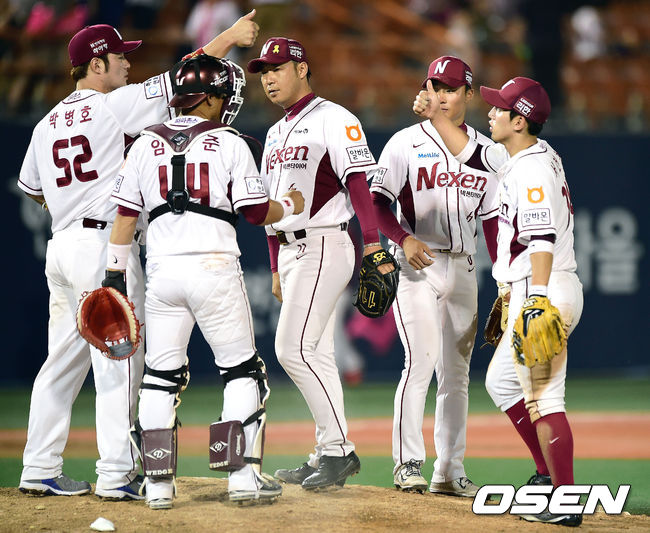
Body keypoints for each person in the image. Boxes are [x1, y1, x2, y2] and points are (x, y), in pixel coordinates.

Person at [16, 14, 260, 499]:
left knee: (59, 363)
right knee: (121, 364)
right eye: (119, 56)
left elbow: (33, 189)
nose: (127, 63)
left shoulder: (44, 124)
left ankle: (39, 467)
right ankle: (117, 473)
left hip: (61, 247)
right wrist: (230, 38)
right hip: (103, 245)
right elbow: (187, 75)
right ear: (96, 64)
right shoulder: (113, 106)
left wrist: (73, 202)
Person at [106, 54, 302, 509]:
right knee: (241, 371)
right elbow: (255, 212)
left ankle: (158, 486)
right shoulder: (230, 141)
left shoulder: (143, 143)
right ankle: (240, 477)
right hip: (214, 267)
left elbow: (125, 217)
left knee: (160, 376)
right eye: (224, 95)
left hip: (162, 272)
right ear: (211, 98)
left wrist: (114, 275)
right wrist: (291, 204)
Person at [414, 76, 583, 526]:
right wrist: (436, 114)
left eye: (499, 107)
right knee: (504, 383)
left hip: (544, 288)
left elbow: (542, 240)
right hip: (532, 286)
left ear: (519, 120)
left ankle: (565, 501)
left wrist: (536, 300)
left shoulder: (530, 171)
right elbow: (469, 153)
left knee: (545, 399)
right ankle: (546, 475)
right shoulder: (525, 155)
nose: (489, 112)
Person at [247, 37, 393, 490]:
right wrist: (274, 266)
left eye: (277, 68)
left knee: (291, 349)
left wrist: (373, 244)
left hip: (325, 242)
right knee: (320, 354)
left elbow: (358, 183)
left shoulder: (335, 117)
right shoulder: (274, 133)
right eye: (263, 72)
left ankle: (340, 451)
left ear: (302, 68)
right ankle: (326, 452)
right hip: (290, 250)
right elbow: (269, 207)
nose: (269, 78)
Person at [369, 56, 499, 496]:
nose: (441, 96)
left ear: (468, 94)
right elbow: (377, 202)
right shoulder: (405, 142)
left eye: (450, 89)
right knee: (420, 362)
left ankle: (449, 469)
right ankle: (407, 462)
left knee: (457, 375)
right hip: (416, 266)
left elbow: (494, 222)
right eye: (435, 87)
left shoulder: (483, 152)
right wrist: (401, 239)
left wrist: (503, 280)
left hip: (464, 266)